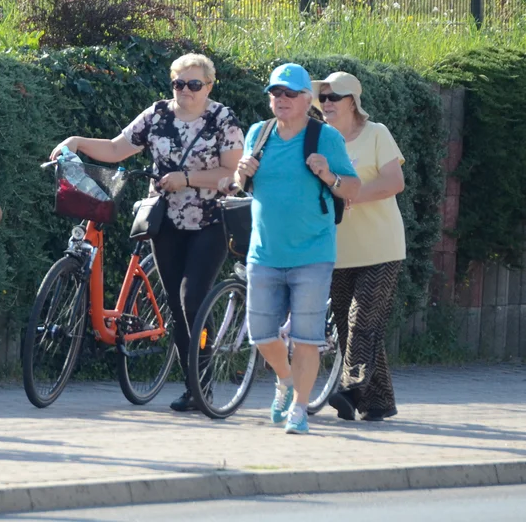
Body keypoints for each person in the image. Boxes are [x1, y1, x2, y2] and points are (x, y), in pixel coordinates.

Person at [50, 53, 244, 412]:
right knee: (175, 303)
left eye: (194, 85)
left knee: (193, 299)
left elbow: (230, 173)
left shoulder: (222, 119)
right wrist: (75, 141)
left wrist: (185, 179)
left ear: (209, 86)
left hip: (209, 220)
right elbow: (116, 149)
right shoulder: (157, 114)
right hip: (165, 219)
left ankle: (202, 383)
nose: (185, 91)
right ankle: (192, 387)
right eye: (178, 84)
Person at [230, 63, 359, 435]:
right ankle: (286, 380)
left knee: (306, 338)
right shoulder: (260, 132)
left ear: (307, 99)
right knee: (260, 334)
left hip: (312, 254)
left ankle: (299, 410)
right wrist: (241, 173)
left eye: (289, 93)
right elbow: (240, 185)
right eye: (275, 93)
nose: (281, 99)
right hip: (264, 252)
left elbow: (352, 189)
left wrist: (328, 174)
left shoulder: (326, 138)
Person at [314, 72, 405, 422]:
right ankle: (380, 402)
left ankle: (350, 390)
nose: (326, 104)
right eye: (322, 98)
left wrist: (351, 195)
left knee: (361, 319)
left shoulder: (376, 133)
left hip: (381, 247)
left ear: (352, 100)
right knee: (353, 325)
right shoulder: (320, 140)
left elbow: (393, 181)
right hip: (339, 251)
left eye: (333, 97)